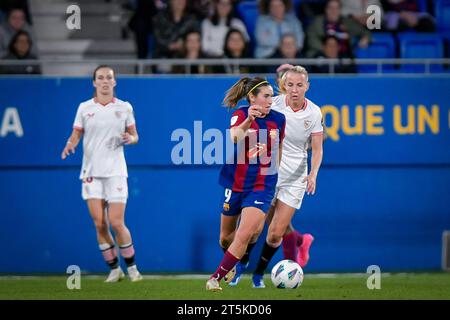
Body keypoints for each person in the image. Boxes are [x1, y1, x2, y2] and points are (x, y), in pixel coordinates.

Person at [230, 65, 324, 288]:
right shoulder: (276, 102)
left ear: (307, 87)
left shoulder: (314, 112)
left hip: (295, 178)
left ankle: (258, 275)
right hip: (270, 172)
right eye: (290, 85)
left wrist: (313, 174)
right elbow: (253, 108)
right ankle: (239, 268)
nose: (294, 89)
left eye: (299, 85)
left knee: (275, 234)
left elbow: (318, 149)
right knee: (254, 229)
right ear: (284, 86)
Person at [61, 65, 143, 283]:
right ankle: (114, 269)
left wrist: (130, 139)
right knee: (99, 223)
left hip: (116, 172)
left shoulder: (124, 107)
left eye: (109, 77)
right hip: (91, 172)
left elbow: (135, 136)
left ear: (114, 82)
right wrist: (70, 145)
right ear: (94, 83)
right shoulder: (84, 108)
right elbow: (76, 134)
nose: (105, 81)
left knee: (116, 222)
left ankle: (132, 268)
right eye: (101, 78)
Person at [205, 77, 286, 291]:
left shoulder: (279, 119)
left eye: (272, 96)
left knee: (245, 233)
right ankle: (238, 259)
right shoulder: (241, 114)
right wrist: (249, 120)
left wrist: (276, 175)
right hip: (237, 182)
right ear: (252, 97)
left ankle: (215, 278)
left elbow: (279, 148)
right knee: (225, 239)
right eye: (266, 96)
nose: (271, 100)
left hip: (263, 183)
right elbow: (234, 137)